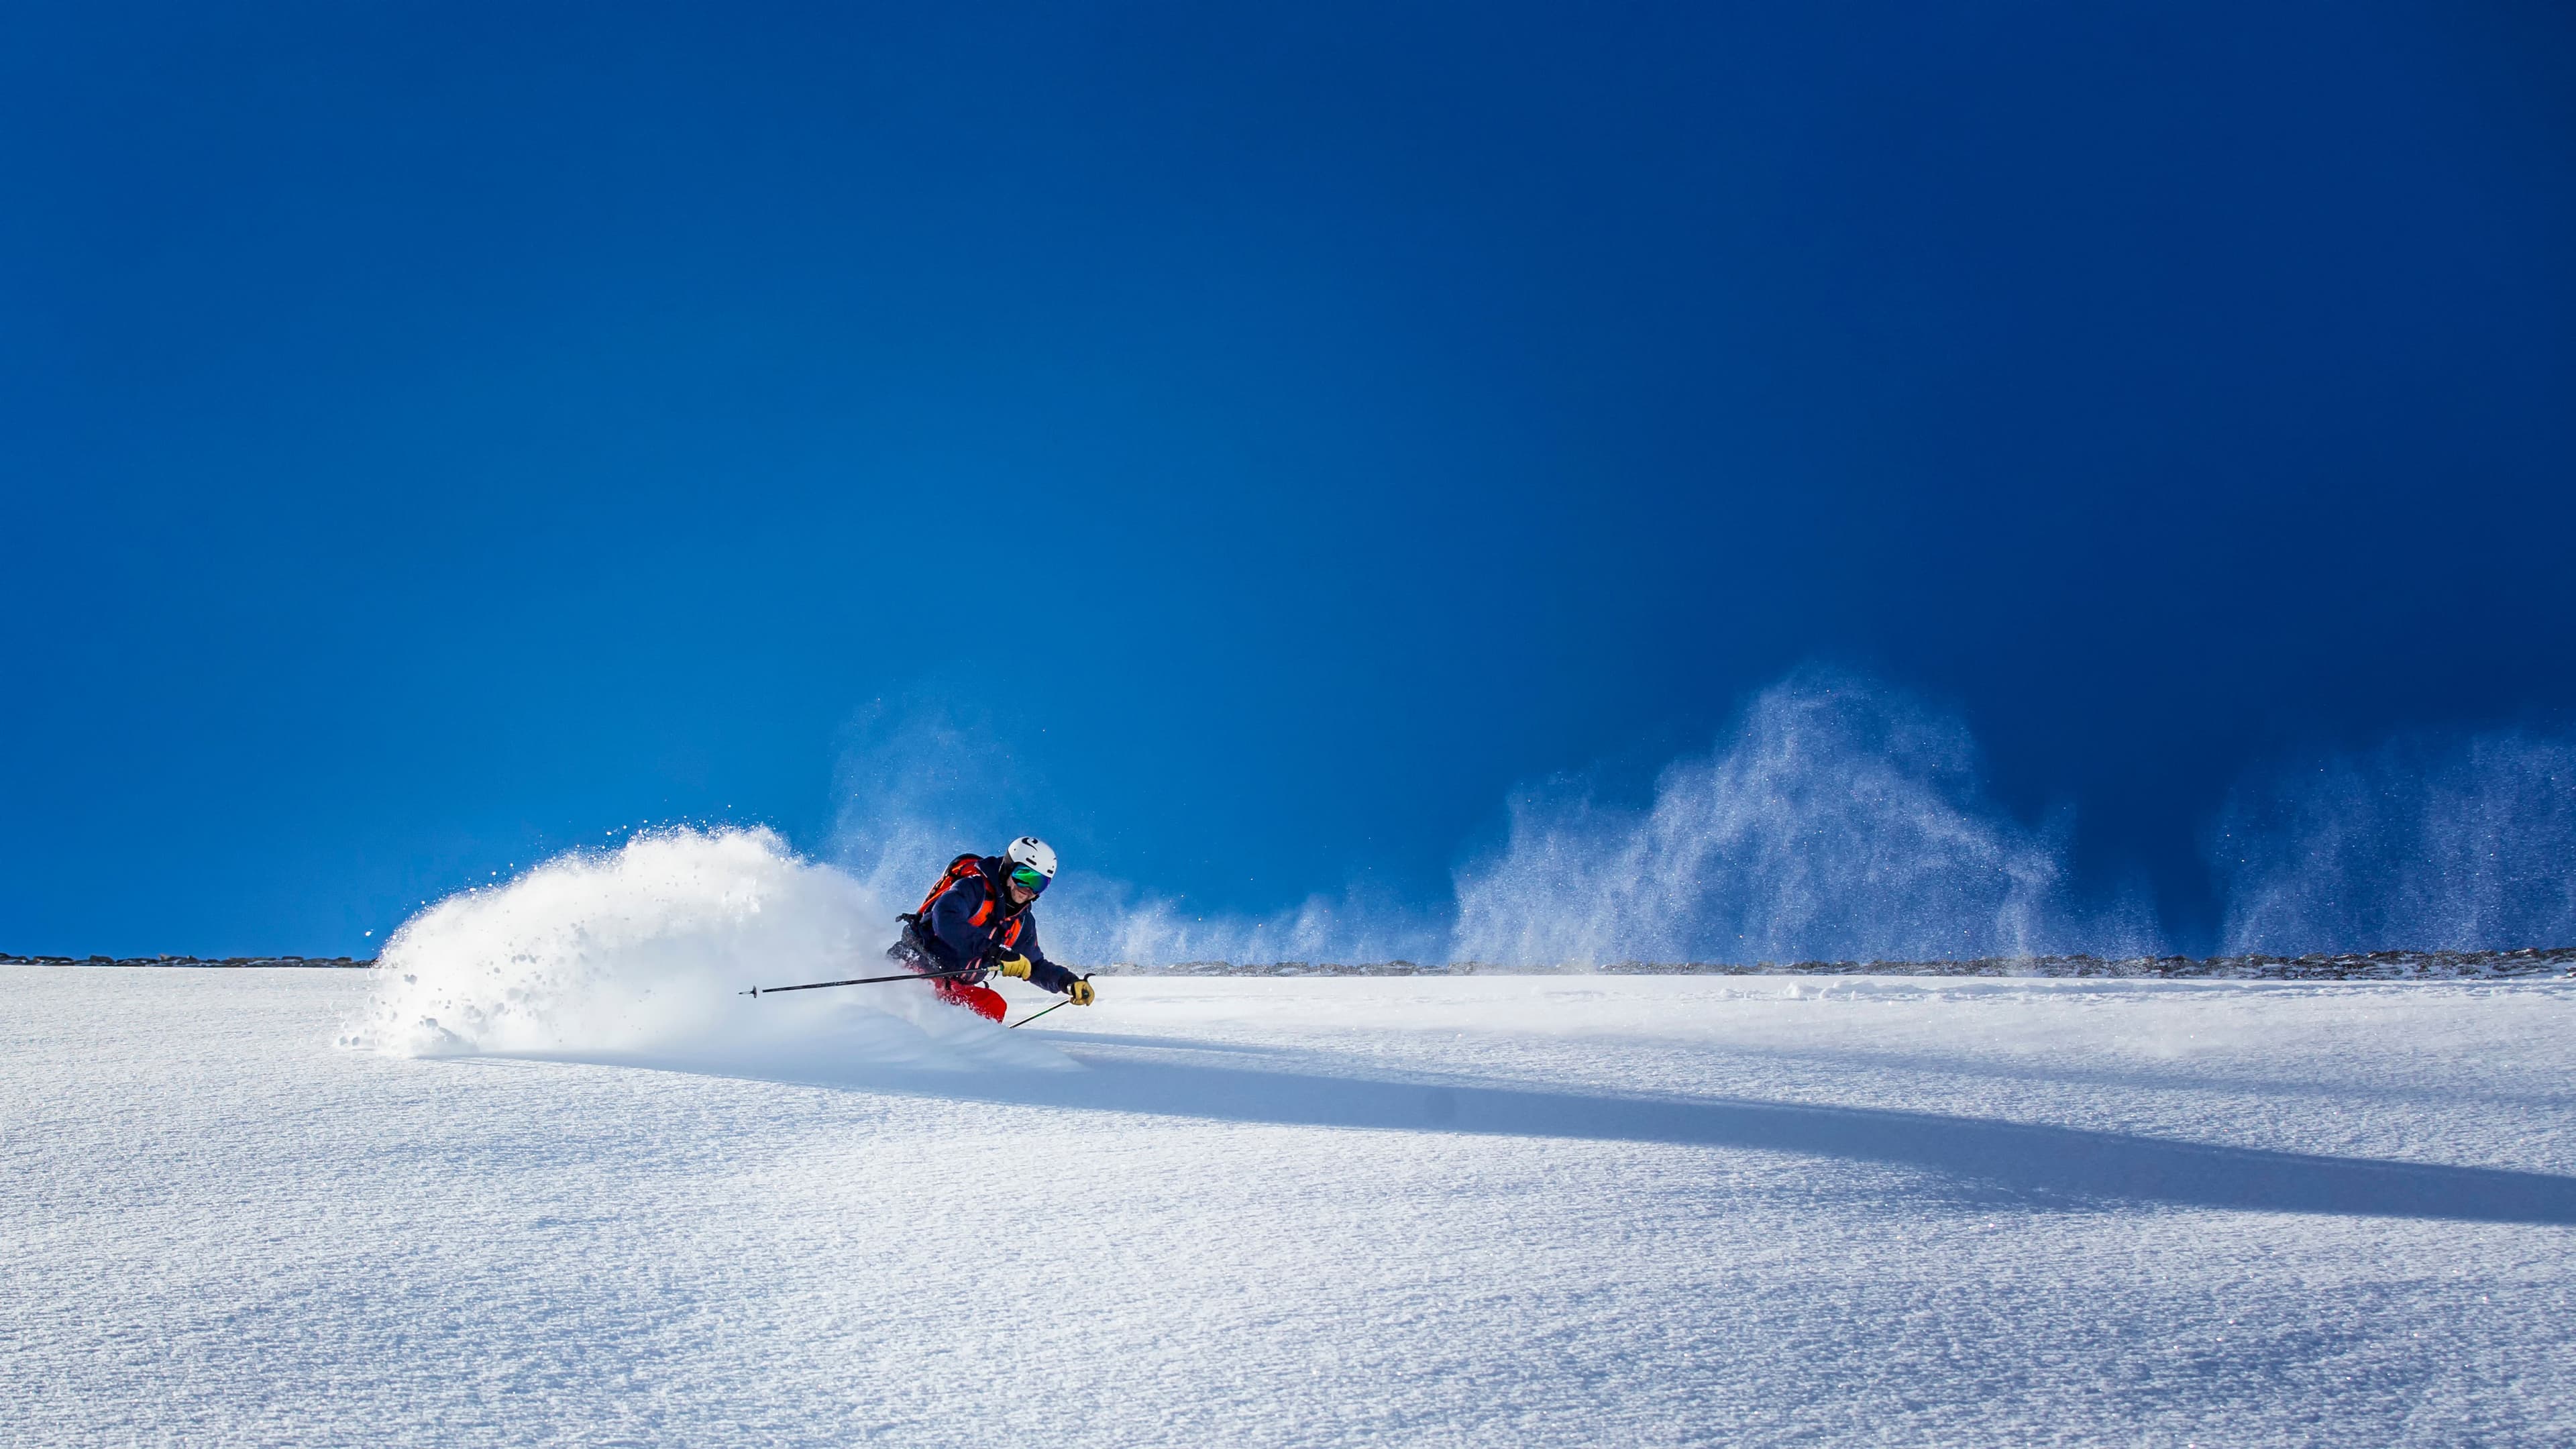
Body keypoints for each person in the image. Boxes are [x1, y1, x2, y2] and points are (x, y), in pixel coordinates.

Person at [888, 836, 1094, 1022]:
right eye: (1024, 875)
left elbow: (1035, 965)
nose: (1028, 888)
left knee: (993, 1007)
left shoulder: (1022, 923)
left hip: (952, 986)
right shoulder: (972, 889)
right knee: (917, 1006)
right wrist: (994, 952)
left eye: (1039, 883)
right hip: (915, 968)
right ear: (1008, 868)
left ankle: (962, 1052)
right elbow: (946, 919)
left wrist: (1067, 983)